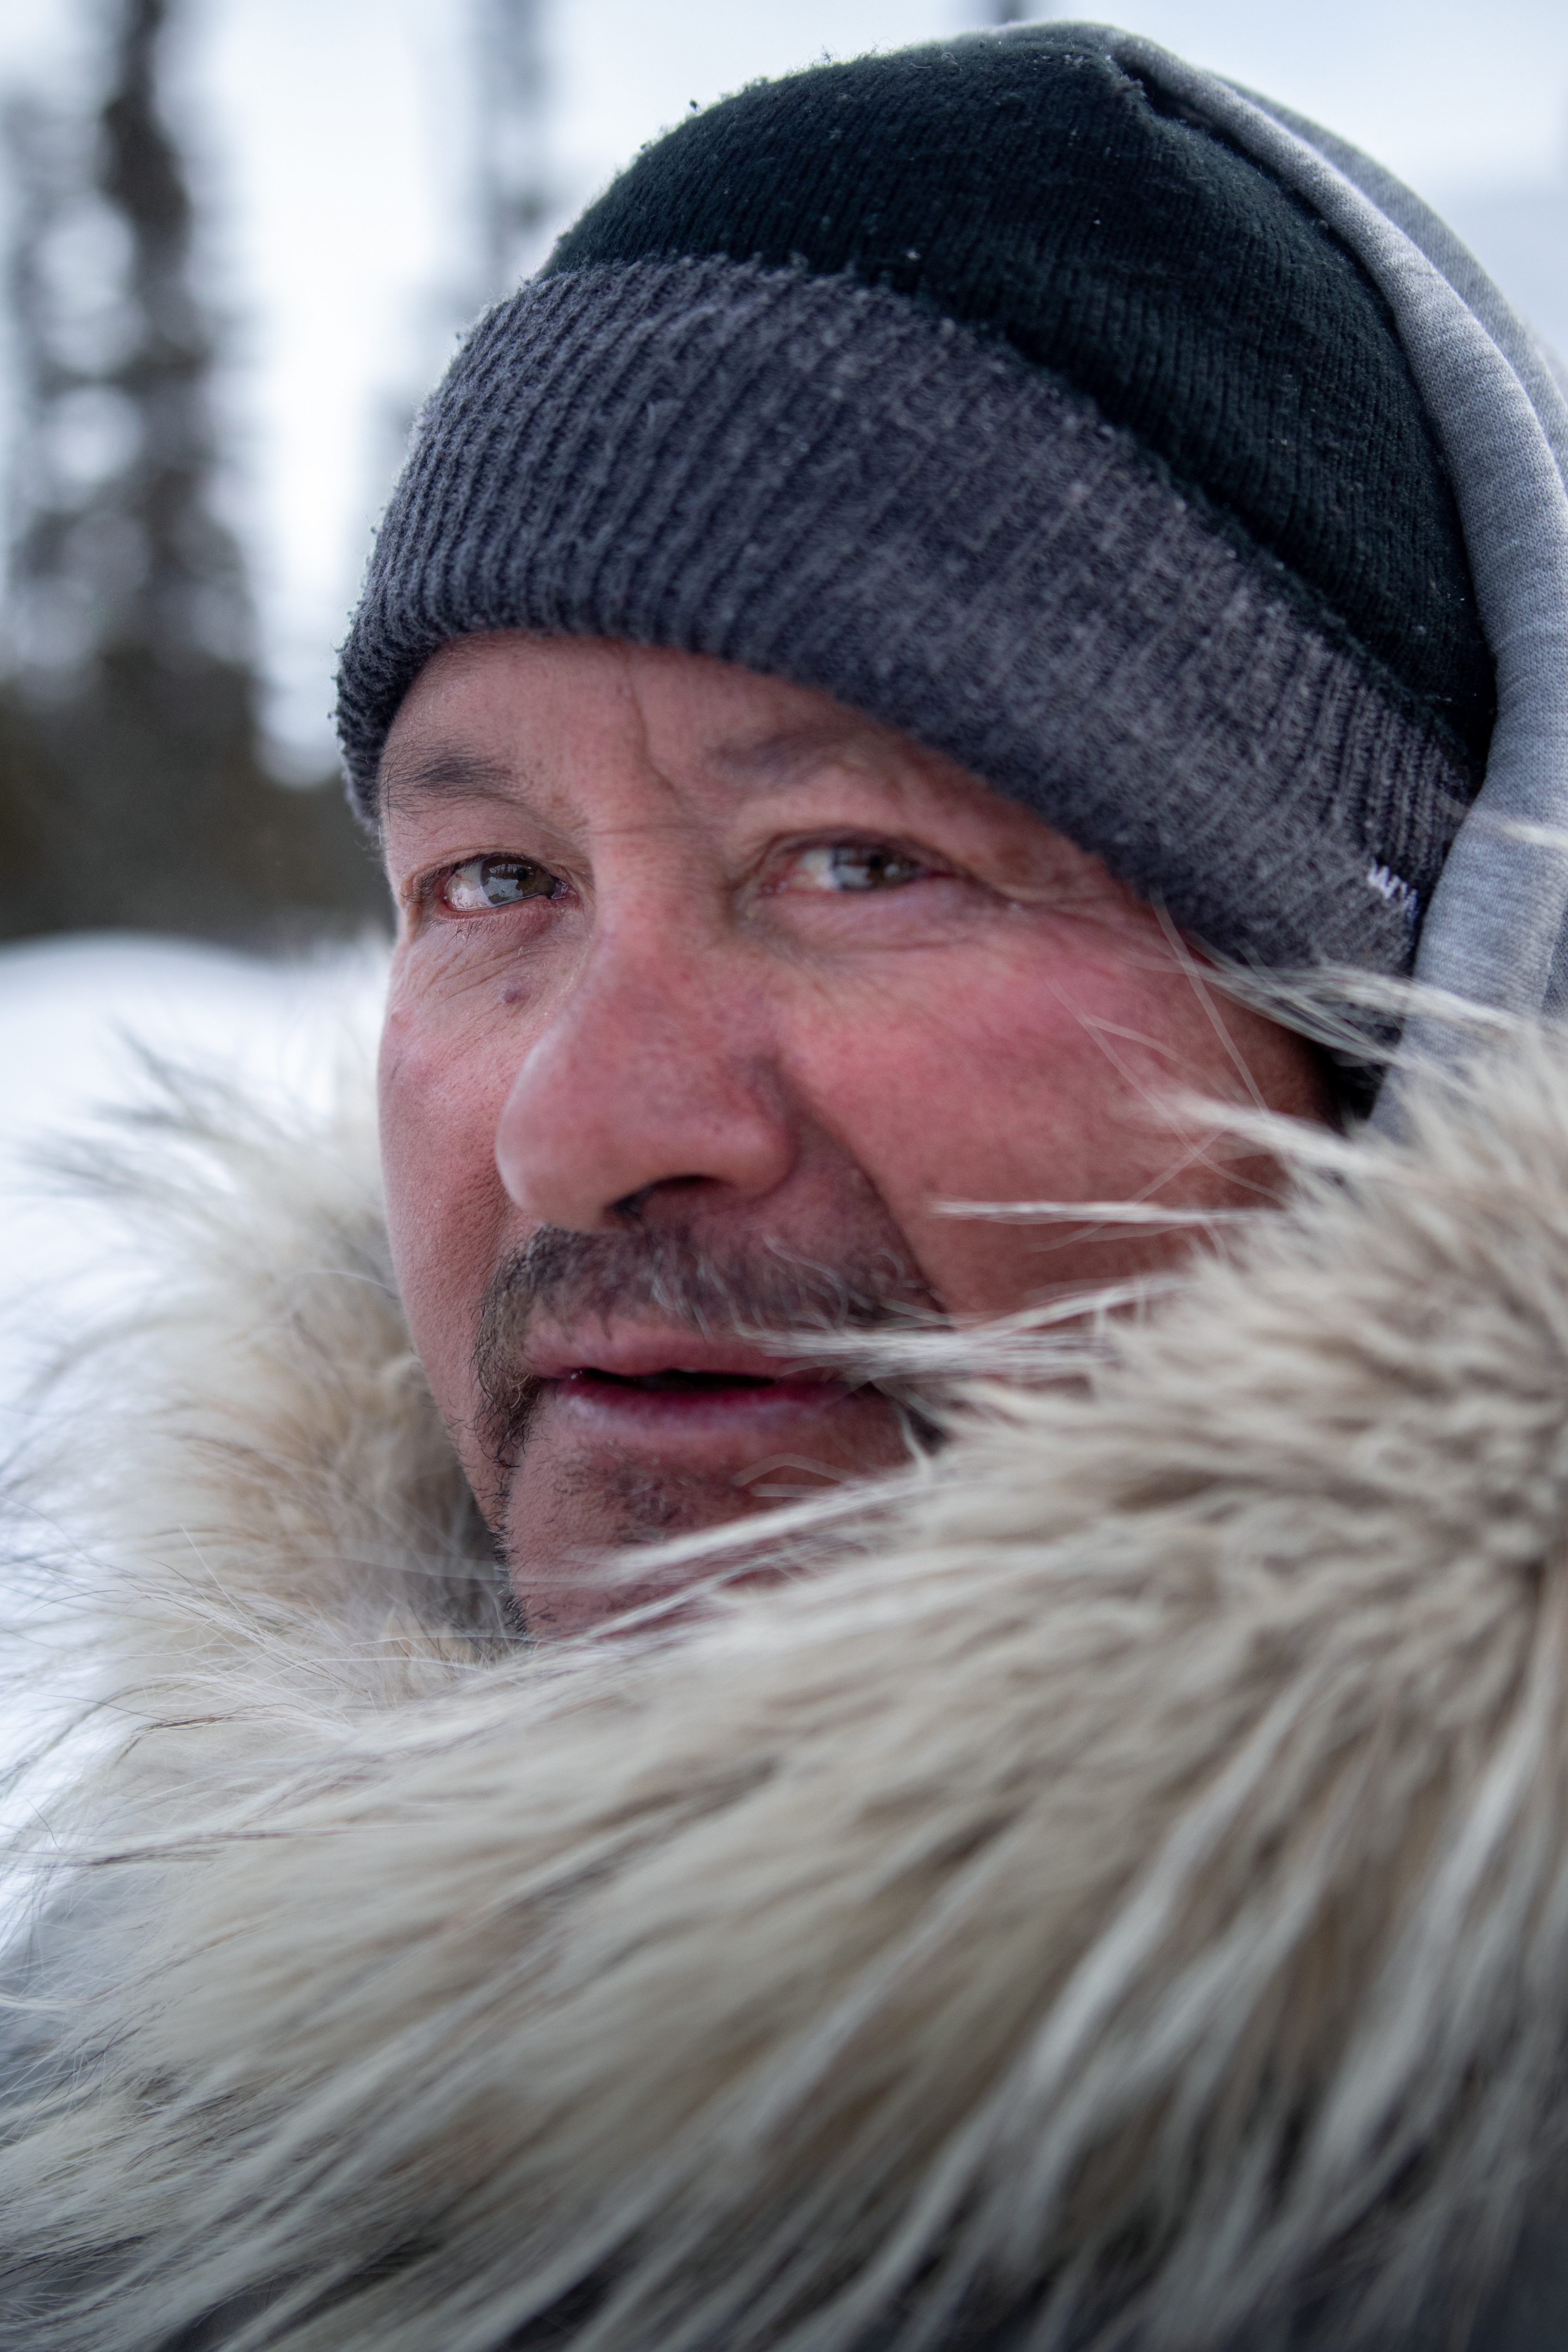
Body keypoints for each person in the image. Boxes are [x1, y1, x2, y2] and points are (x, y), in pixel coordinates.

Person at [5, 22, 1568, 2350]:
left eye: (858, 860)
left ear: (1393, 1014)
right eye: (494, 878)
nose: (574, 1125)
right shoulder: (121, 2032)